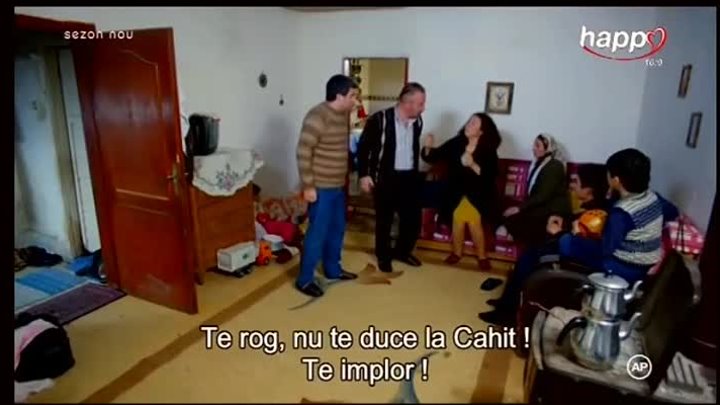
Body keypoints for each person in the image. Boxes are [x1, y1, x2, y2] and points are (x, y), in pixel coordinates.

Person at [479, 163, 609, 326]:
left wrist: (559, 232)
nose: (572, 186)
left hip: (570, 260)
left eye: (576, 182)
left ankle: (508, 312)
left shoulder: (595, 216)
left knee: (528, 259)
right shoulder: (591, 208)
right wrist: (561, 223)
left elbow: (579, 243)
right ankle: (507, 303)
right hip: (563, 247)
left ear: (589, 190)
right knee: (527, 253)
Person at [556, 148, 678, 284]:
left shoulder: (622, 212)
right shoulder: (653, 197)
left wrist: (578, 233)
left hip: (625, 267)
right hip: (648, 261)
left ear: (616, 180)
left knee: (566, 241)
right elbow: (673, 212)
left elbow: (606, 249)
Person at [295, 74, 360, 297]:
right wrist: (308, 186)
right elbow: (303, 151)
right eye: (352, 96)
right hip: (320, 188)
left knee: (337, 229)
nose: (355, 101)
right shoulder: (317, 116)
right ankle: (304, 280)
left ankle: (333, 269)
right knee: (317, 233)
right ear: (339, 96)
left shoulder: (342, 115)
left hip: (337, 187)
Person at [357, 82, 427, 273]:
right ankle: (383, 256)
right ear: (407, 103)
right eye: (421, 103)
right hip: (385, 177)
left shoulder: (418, 121)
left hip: (409, 178)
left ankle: (403, 252)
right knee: (385, 220)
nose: (423, 108)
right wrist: (364, 174)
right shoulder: (379, 120)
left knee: (412, 220)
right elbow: (363, 148)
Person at [420, 113, 501, 270]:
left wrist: (472, 164)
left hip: (479, 195)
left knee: (469, 218)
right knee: (460, 215)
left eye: (473, 123)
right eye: (469, 121)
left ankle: (460, 253)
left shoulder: (488, 150)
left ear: (481, 131)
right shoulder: (456, 143)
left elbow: (490, 176)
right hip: (455, 192)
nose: (468, 125)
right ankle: (480, 256)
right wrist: (428, 148)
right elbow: (435, 156)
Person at [503, 134, 571, 248]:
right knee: (510, 217)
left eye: (538, 146)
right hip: (541, 207)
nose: (534, 148)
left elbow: (544, 195)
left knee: (519, 220)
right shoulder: (540, 163)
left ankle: (530, 251)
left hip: (553, 210)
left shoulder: (555, 166)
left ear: (548, 149)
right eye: (534, 145)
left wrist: (520, 208)